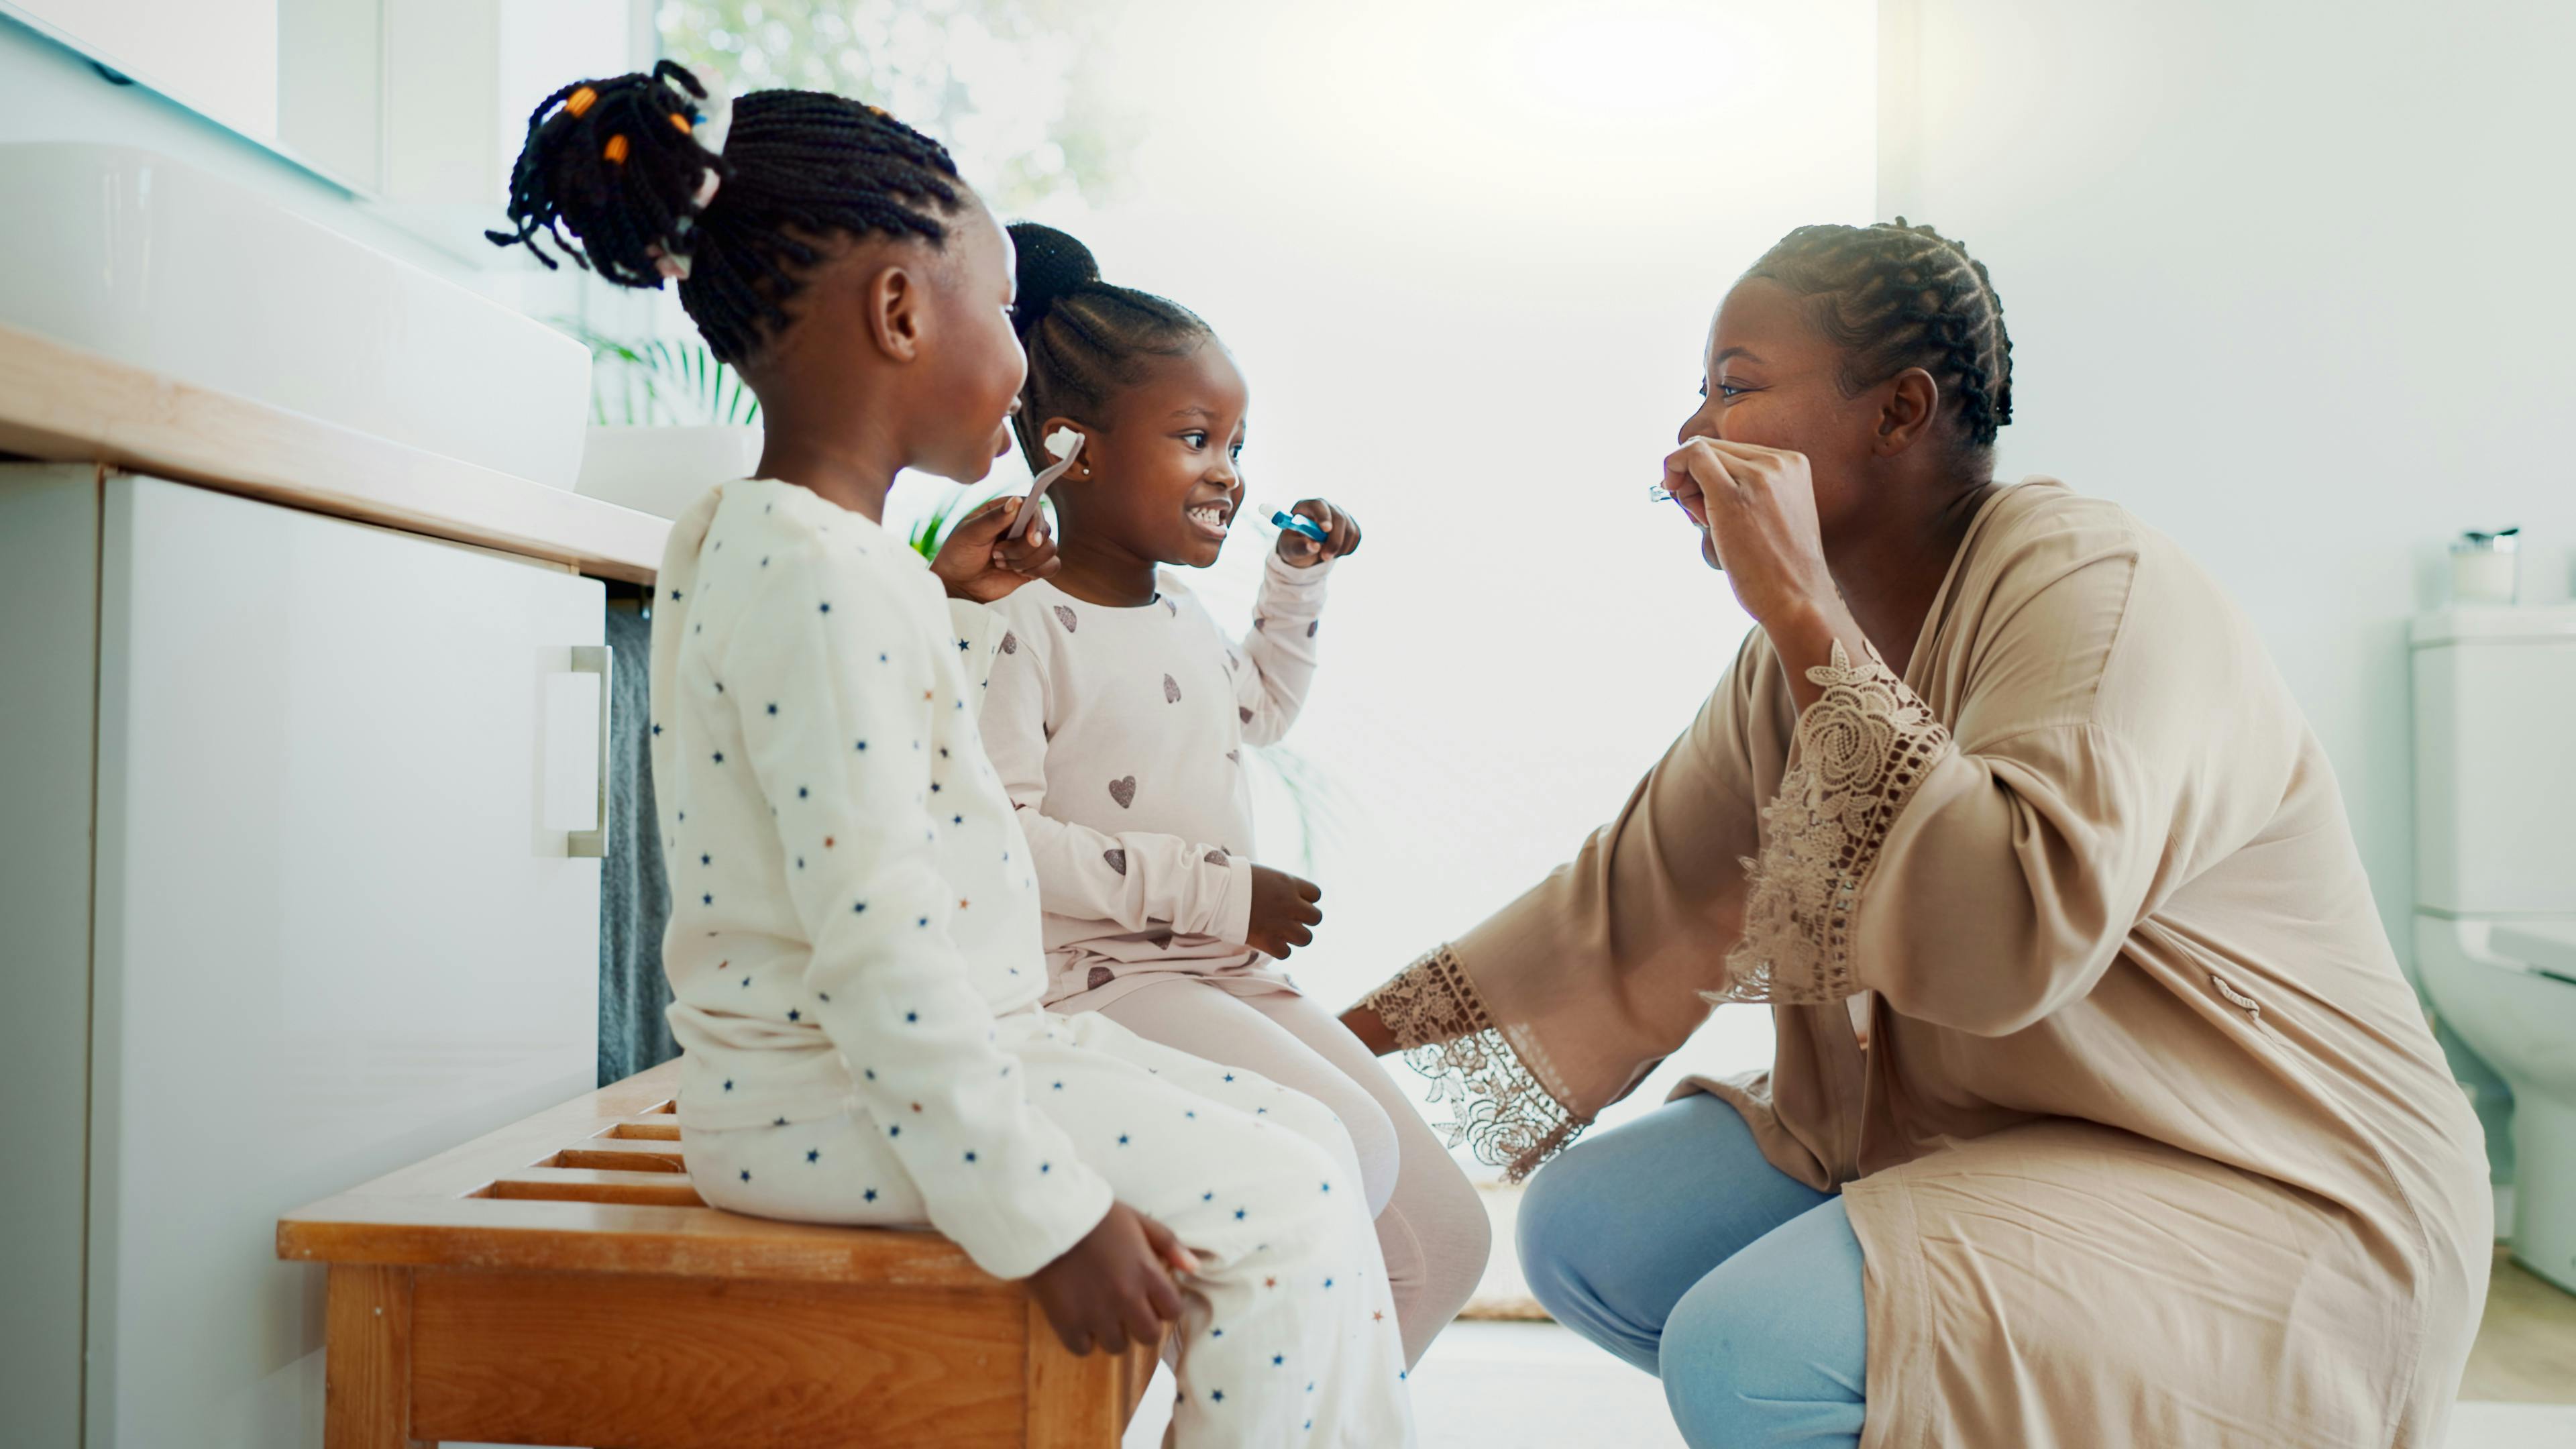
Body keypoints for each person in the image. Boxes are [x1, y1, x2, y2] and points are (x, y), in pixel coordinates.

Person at [1341, 219, 2491, 1448]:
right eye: (1699, 394)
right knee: (1586, 1236)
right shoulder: (1781, 666)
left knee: (1752, 1352)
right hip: (1977, 1129)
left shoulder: (2095, 588)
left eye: (1734, 388)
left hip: (2258, 1170)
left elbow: (2012, 933)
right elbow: (1627, 916)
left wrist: (1796, 602)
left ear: (1898, 414)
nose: (1691, 437)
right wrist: (1320, 1060)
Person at [490, 62, 1413, 1446]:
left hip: (878, 1069)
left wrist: (935, 598)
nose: (1026, 360)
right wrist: (1039, 1211)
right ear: (901, 311)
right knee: (1291, 1210)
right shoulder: (828, 580)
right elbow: (877, 947)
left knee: (1322, 1150)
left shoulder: (766, 542)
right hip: (839, 1097)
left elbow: (819, 756)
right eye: (999, 306)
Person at [979, 222, 1491, 1366]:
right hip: (1095, 984)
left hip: (1218, 970)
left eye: (1237, 441)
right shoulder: (1013, 620)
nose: (1230, 469)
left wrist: (1295, 582)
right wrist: (1217, 892)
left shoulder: (1177, 617)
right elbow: (1000, 843)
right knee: (1346, 1148)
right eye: (1196, 437)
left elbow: (1254, 709)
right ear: (1076, 446)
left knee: (1446, 1240)